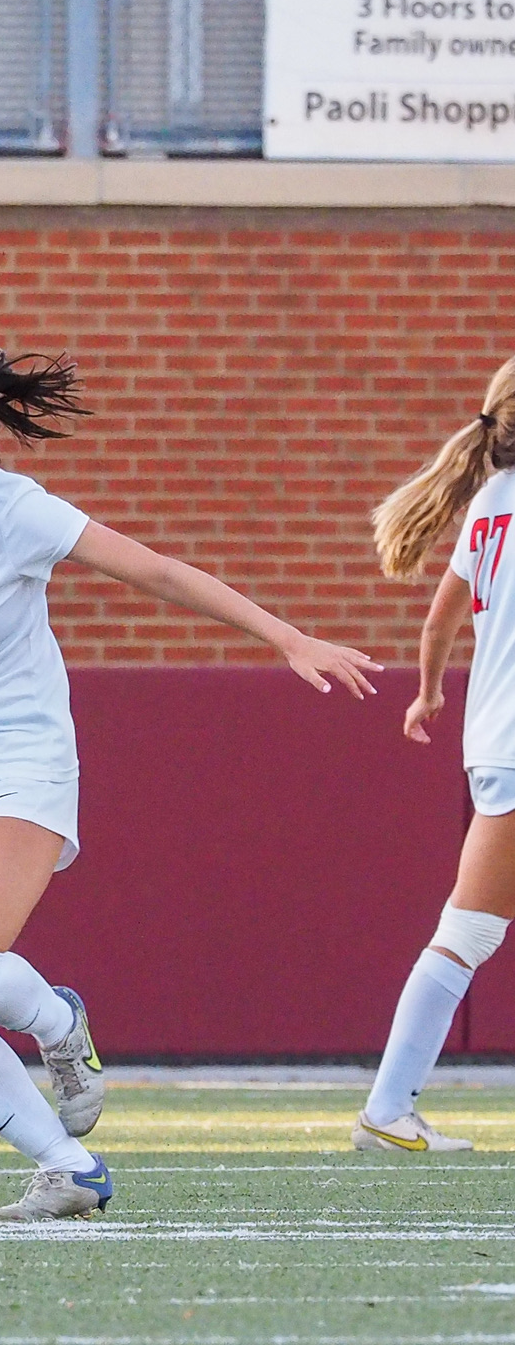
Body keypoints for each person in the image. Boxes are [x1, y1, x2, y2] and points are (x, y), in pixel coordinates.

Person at [0, 350, 378, 1220]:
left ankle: (59, 1022)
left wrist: (285, 635)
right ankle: (67, 1166)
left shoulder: (12, 511)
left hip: (21, 755)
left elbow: (156, 571)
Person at [352, 359, 515, 1154]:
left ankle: (388, 1109)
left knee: (469, 932)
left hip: (496, 743)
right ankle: (385, 1110)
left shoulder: (489, 502)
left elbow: (440, 622)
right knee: (467, 932)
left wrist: (429, 695)